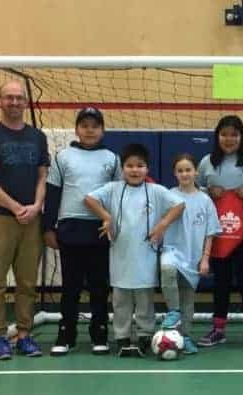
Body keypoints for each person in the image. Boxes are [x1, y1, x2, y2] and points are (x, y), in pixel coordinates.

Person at [84, 143, 184, 357]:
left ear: (147, 169)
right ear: (122, 168)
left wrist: (162, 225)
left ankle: (146, 335)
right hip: (119, 256)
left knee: (145, 300)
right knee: (120, 300)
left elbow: (179, 205)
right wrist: (106, 216)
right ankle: (122, 336)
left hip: (145, 257)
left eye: (140, 166)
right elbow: (89, 199)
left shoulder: (155, 191)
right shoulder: (113, 189)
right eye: (129, 166)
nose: (134, 170)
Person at [0, 80, 49, 359]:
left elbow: (43, 176)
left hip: (31, 220)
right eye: (9, 98)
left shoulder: (37, 137)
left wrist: (37, 205)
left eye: (19, 98)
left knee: (27, 282)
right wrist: (16, 206)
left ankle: (25, 335)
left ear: (25, 103)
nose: (15, 102)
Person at [42, 107, 120, 356]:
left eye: (95, 125)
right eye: (84, 125)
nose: (89, 130)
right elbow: (53, 193)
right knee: (71, 287)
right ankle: (66, 335)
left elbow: (118, 195)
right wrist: (48, 227)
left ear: (102, 130)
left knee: (99, 286)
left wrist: (116, 225)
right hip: (70, 228)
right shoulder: (63, 156)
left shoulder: (112, 158)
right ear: (77, 129)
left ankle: (99, 334)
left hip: (99, 228)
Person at [196, 115, 243, 350]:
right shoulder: (206, 162)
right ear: (217, 137)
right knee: (220, 281)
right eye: (224, 134)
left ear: (241, 137)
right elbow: (195, 190)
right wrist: (207, 190)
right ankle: (218, 329)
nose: (229, 138)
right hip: (217, 232)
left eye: (234, 134)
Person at [159, 153, 222, 355]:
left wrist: (205, 258)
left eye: (188, 169)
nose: (184, 174)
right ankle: (173, 312)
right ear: (174, 174)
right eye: (180, 170)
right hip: (171, 250)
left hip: (193, 256)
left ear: (196, 172)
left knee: (188, 299)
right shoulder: (168, 195)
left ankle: (184, 337)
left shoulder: (205, 200)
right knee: (167, 269)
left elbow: (210, 233)